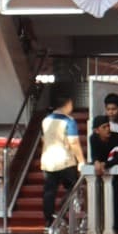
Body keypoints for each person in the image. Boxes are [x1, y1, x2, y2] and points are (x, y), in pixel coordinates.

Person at [38, 94, 83, 224]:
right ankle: (62, 209)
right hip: (65, 160)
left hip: (47, 161)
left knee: (49, 191)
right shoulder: (69, 121)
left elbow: (43, 140)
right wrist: (81, 161)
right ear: (68, 104)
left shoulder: (45, 120)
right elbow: (73, 142)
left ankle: (49, 219)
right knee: (73, 188)